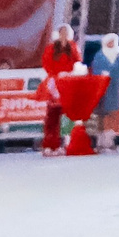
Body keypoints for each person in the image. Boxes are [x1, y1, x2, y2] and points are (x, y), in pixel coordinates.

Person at [39, 24, 81, 153]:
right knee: (53, 114)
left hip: (68, 82)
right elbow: (46, 63)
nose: (64, 34)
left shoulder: (73, 47)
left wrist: (70, 73)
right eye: (61, 32)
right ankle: (50, 144)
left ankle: (67, 143)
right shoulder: (51, 48)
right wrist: (55, 75)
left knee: (68, 115)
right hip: (55, 83)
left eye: (66, 32)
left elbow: (78, 62)